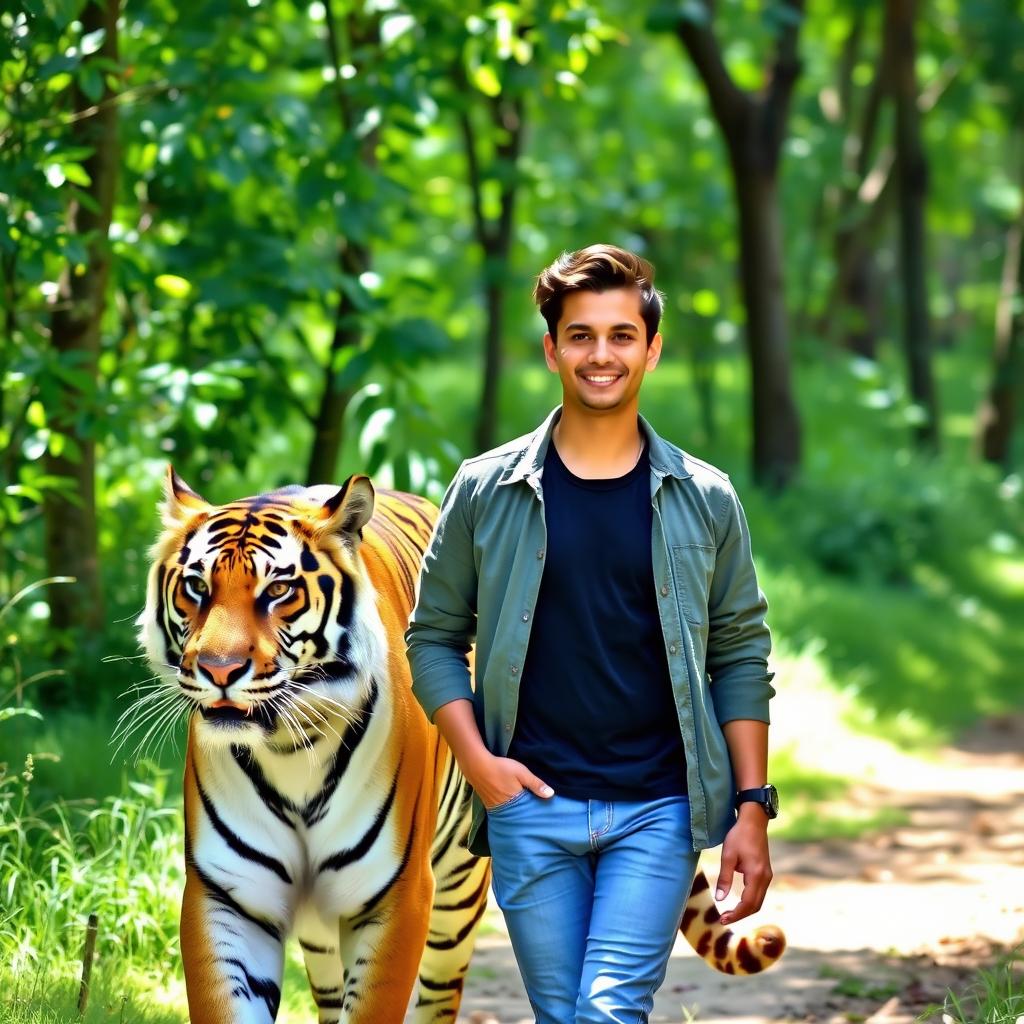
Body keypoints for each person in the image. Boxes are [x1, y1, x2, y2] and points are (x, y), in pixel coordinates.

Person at [406, 243, 777, 1024]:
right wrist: (479, 765)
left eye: (620, 335)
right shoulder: (484, 488)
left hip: (658, 808)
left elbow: (740, 652)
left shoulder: (704, 498)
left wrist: (751, 806)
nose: (600, 354)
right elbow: (432, 637)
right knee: (561, 1016)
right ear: (551, 349)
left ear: (651, 348)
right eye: (581, 335)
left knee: (608, 1009)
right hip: (529, 806)